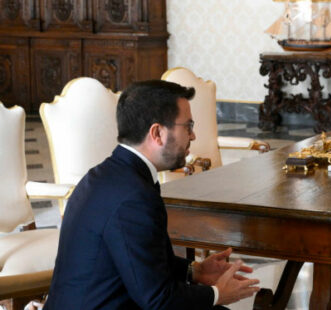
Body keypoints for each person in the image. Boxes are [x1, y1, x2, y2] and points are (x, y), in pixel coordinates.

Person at [46, 80, 261, 309]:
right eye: (188, 126)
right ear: (157, 132)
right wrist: (217, 294)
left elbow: (139, 258)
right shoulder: (133, 197)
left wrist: (194, 270)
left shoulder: (106, 175)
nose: (194, 135)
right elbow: (159, 300)